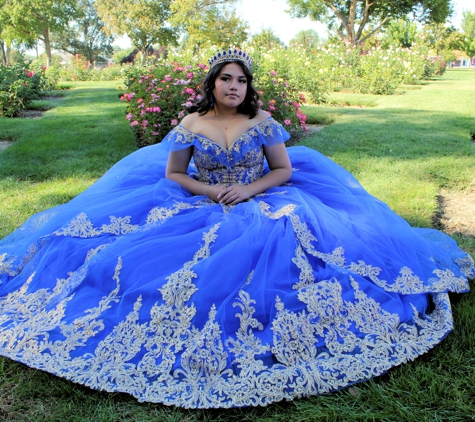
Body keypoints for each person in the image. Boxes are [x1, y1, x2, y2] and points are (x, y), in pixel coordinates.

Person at [0, 48, 473, 409]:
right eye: (226, 79)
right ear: (213, 83)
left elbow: (283, 171)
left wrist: (249, 191)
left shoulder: (262, 121)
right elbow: (174, 176)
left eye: (241, 80)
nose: (234, 87)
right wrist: (208, 193)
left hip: (262, 196)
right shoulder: (190, 123)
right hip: (201, 199)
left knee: (295, 250)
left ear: (249, 87)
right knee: (121, 256)